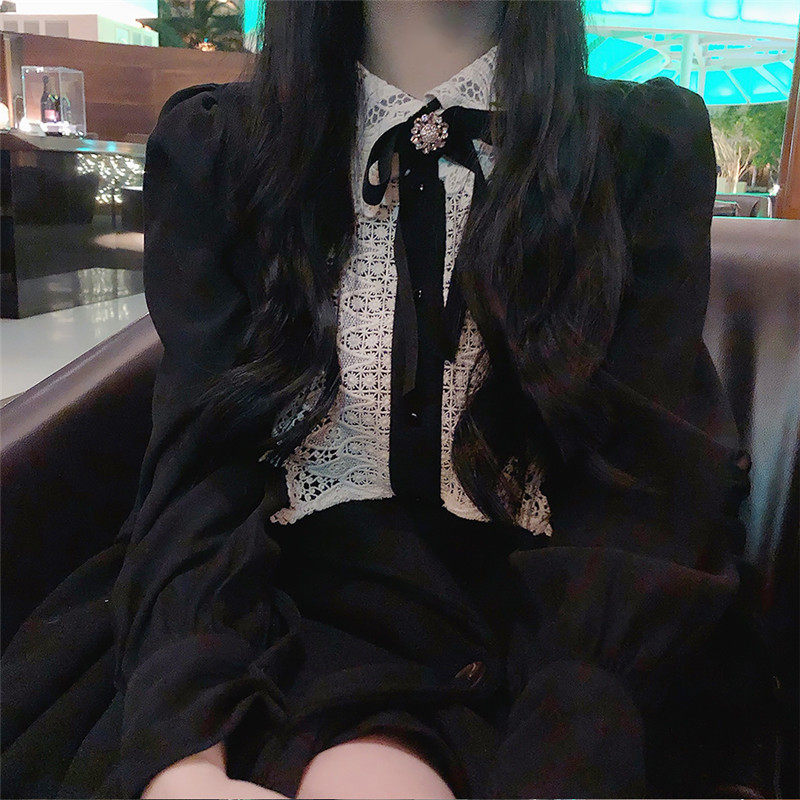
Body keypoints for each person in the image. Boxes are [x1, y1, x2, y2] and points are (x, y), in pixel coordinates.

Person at [1, 1, 774, 798]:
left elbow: (647, 487)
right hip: (278, 612)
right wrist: (185, 755)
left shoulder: (636, 152)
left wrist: (565, 752)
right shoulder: (223, 150)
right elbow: (202, 469)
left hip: (547, 626)